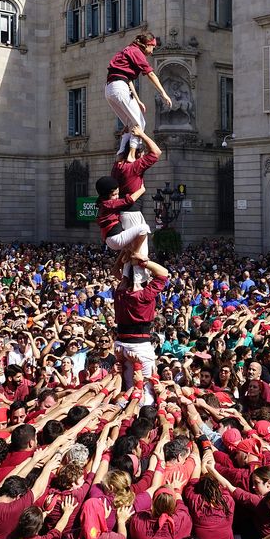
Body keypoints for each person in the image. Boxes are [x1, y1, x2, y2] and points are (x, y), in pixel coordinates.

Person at [104, 33, 172, 155]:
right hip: (119, 88)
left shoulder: (127, 50)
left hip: (110, 89)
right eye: (153, 48)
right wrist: (163, 93)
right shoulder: (136, 52)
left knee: (130, 124)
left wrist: (138, 100)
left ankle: (121, 154)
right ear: (147, 45)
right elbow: (150, 74)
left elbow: (127, 79)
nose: (152, 52)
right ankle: (131, 155)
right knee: (140, 123)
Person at [114, 258, 171, 404]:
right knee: (146, 389)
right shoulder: (144, 295)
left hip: (121, 346)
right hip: (139, 348)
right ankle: (144, 416)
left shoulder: (120, 293)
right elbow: (164, 273)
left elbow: (115, 271)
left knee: (128, 387)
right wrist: (142, 261)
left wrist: (124, 255)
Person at [112, 125, 162, 285]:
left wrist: (125, 138)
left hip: (125, 213)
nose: (144, 156)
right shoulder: (133, 167)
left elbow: (121, 154)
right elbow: (156, 152)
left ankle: (125, 276)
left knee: (131, 247)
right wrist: (141, 134)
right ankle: (137, 285)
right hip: (131, 213)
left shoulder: (117, 167)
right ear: (138, 154)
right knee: (140, 251)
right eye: (142, 153)